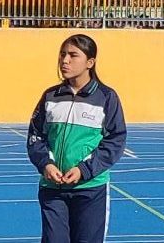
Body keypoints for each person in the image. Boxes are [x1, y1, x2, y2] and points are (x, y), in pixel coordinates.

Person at [28, 34, 128, 243]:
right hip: (52, 189)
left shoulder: (106, 97)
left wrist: (84, 170)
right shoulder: (50, 96)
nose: (65, 60)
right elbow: (35, 136)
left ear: (90, 62)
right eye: (62, 54)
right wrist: (46, 164)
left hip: (90, 190)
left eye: (73, 55)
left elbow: (115, 140)